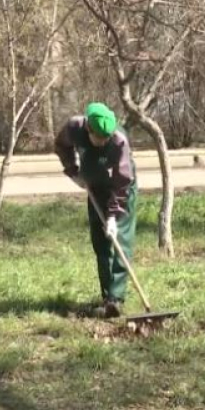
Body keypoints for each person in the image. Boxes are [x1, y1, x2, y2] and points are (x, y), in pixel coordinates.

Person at [55, 102, 137, 317]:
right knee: (100, 242)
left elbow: (122, 182)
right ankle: (107, 297)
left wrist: (113, 217)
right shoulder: (74, 128)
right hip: (95, 187)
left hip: (120, 189)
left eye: (105, 139)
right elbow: (61, 145)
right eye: (98, 138)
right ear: (88, 129)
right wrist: (73, 171)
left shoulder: (119, 141)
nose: (102, 143)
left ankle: (117, 298)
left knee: (120, 240)